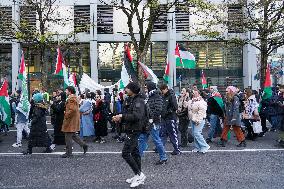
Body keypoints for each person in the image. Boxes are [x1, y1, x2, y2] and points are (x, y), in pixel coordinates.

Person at [112, 82, 146, 188]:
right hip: (130, 129)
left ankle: (140, 175)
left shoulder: (139, 101)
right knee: (135, 153)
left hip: (135, 130)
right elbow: (128, 113)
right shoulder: (131, 99)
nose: (125, 89)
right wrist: (119, 117)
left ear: (133, 90)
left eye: (127, 88)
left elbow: (137, 116)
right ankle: (137, 174)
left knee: (125, 153)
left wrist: (122, 116)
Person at [138, 81, 168, 165]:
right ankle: (138, 156)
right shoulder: (150, 96)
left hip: (153, 122)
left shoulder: (156, 96)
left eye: (146, 87)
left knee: (156, 140)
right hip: (147, 122)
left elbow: (158, 110)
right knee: (142, 138)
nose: (145, 88)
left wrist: (151, 119)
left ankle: (163, 158)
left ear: (150, 87)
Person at [61, 86, 88, 158]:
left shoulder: (71, 99)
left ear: (69, 91)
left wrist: (66, 114)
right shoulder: (73, 98)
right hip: (72, 120)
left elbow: (72, 110)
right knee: (73, 135)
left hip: (70, 120)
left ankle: (69, 153)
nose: (65, 92)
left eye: (66, 90)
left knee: (68, 137)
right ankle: (84, 145)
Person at [160, 84, 181, 155]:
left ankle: (177, 150)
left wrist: (167, 112)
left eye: (162, 90)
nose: (162, 91)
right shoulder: (164, 96)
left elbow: (175, 107)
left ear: (166, 89)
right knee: (163, 134)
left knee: (173, 134)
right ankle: (160, 148)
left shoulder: (171, 96)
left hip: (170, 118)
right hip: (164, 118)